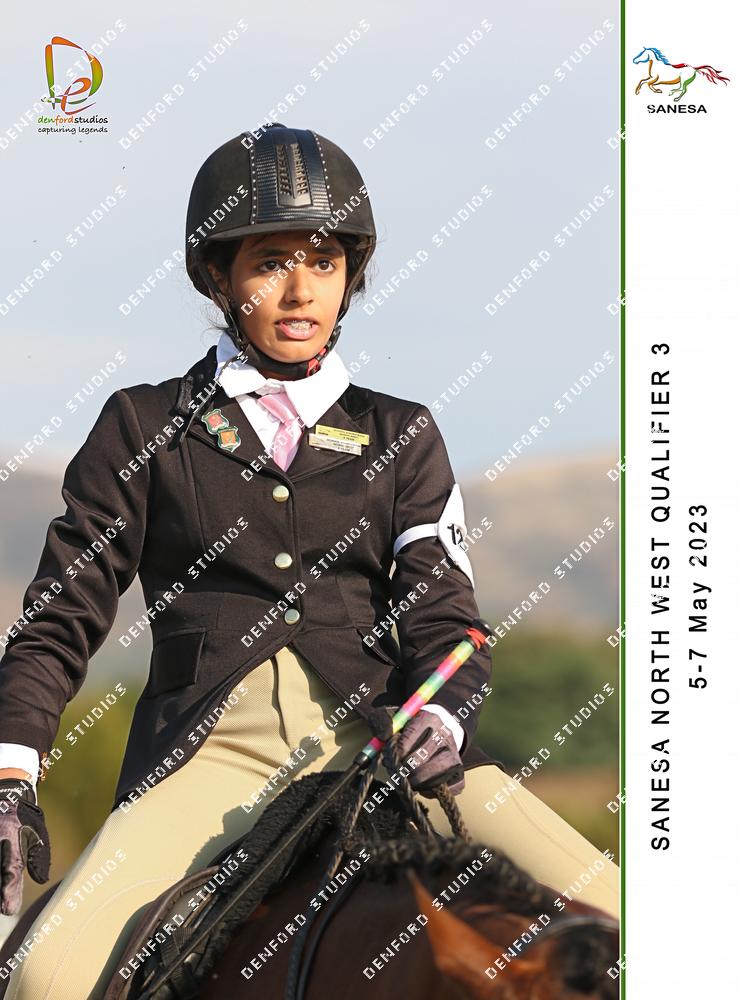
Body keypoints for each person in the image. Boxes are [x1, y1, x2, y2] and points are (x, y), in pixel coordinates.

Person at [0, 124, 618, 998]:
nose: (299, 290)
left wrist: (439, 717)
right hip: (211, 754)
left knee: (637, 921)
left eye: (323, 263)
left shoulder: (403, 434)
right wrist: (12, 772)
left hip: (380, 737)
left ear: (349, 277)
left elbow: (448, 620)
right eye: (270, 263)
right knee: (46, 978)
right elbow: (62, 617)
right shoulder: (144, 426)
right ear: (218, 278)